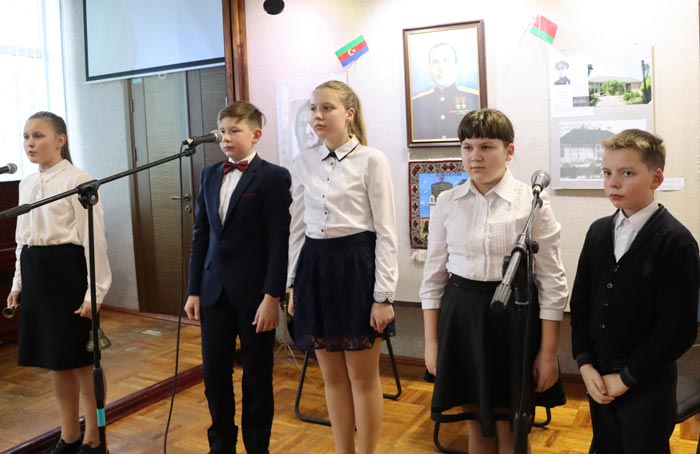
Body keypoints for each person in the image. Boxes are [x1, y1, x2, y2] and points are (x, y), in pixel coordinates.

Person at [420, 109, 568, 454]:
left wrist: (548, 353)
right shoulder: (447, 202)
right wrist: (431, 342)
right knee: (477, 423)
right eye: (467, 147)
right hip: (463, 318)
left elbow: (552, 281)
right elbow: (433, 276)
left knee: (512, 427)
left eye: (486, 147)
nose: (475, 156)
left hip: (514, 318)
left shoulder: (531, 201)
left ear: (509, 151)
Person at [570, 129, 699, 454]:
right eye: (607, 173)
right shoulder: (598, 232)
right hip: (599, 375)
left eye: (626, 173)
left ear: (656, 178)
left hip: (646, 382)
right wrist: (584, 363)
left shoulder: (676, 242)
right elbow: (581, 301)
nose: (613, 183)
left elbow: (678, 329)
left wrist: (626, 377)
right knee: (606, 446)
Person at [287, 80, 398, 454]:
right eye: (313, 109)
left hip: (356, 268)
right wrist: (292, 284)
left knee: (362, 378)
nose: (317, 116)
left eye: (327, 108)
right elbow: (297, 227)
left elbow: (386, 231)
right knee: (331, 378)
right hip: (314, 268)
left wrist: (383, 296)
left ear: (349, 114)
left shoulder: (372, 160)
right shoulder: (303, 162)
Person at [184, 101, 292, 454]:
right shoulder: (209, 174)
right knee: (214, 375)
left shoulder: (273, 177)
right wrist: (194, 290)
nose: (226, 138)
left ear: (256, 134)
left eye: (235, 131)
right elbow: (201, 235)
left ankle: (257, 448)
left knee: (256, 376)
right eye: (222, 132)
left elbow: (279, 242)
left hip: (255, 296)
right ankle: (221, 446)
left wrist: (272, 296)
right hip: (213, 292)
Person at [6, 111, 112, 454]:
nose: (30, 143)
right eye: (26, 137)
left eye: (38, 136)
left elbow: (95, 239)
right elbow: (22, 239)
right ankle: (69, 435)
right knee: (55, 360)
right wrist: (18, 283)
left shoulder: (79, 180)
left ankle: (94, 437)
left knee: (81, 360)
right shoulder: (26, 183)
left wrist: (95, 292)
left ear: (60, 140)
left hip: (67, 273)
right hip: (36, 273)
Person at [411, 42, 480, 141]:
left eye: (446, 61)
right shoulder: (416, 103)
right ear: (429, 69)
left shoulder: (474, 98)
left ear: (456, 66)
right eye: (435, 62)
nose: (440, 68)